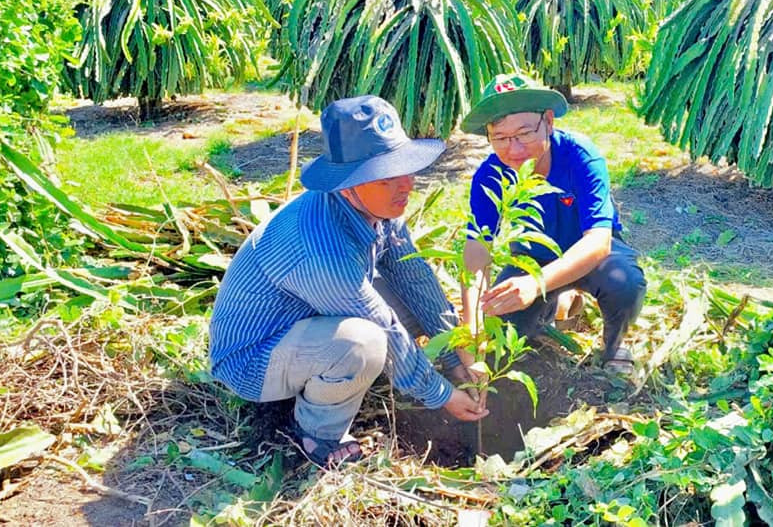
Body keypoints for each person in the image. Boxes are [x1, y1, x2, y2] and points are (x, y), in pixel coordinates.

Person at [209, 95, 487, 469]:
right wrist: (442, 395)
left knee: (404, 303)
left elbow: (415, 277)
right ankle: (315, 433)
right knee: (364, 342)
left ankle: (336, 376)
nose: (405, 185)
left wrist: (456, 356)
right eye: (387, 177)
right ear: (346, 185)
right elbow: (381, 326)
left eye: (405, 168)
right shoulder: (317, 248)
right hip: (254, 358)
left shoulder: (379, 207)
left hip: (304, 321)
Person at [459, 73, 647, 371]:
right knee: (503, 333)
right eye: (501, 138)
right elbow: (477, 247)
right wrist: (472, 324)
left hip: (590, 254)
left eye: (524, 134)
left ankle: (614, 346)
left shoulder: (580, 157)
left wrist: (536, 284)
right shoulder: (490, 175)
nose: (514, 150)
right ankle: (562, 302)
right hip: (533, 258)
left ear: (548, 121)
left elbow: (598, 242)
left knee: (624, 283)